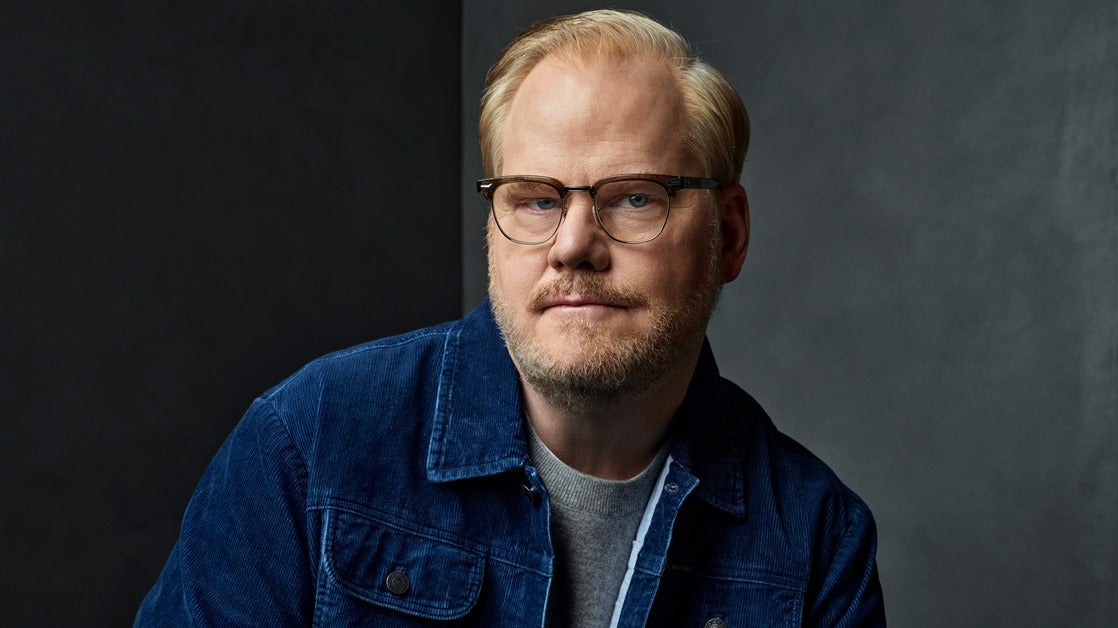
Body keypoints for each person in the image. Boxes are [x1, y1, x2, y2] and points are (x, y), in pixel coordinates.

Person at [137, 9, 884, 627]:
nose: (573, 245)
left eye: (635, 197)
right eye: (535, 198)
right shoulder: (308, 447)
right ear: (495, 227)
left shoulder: (816, 540)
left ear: (730, 233)